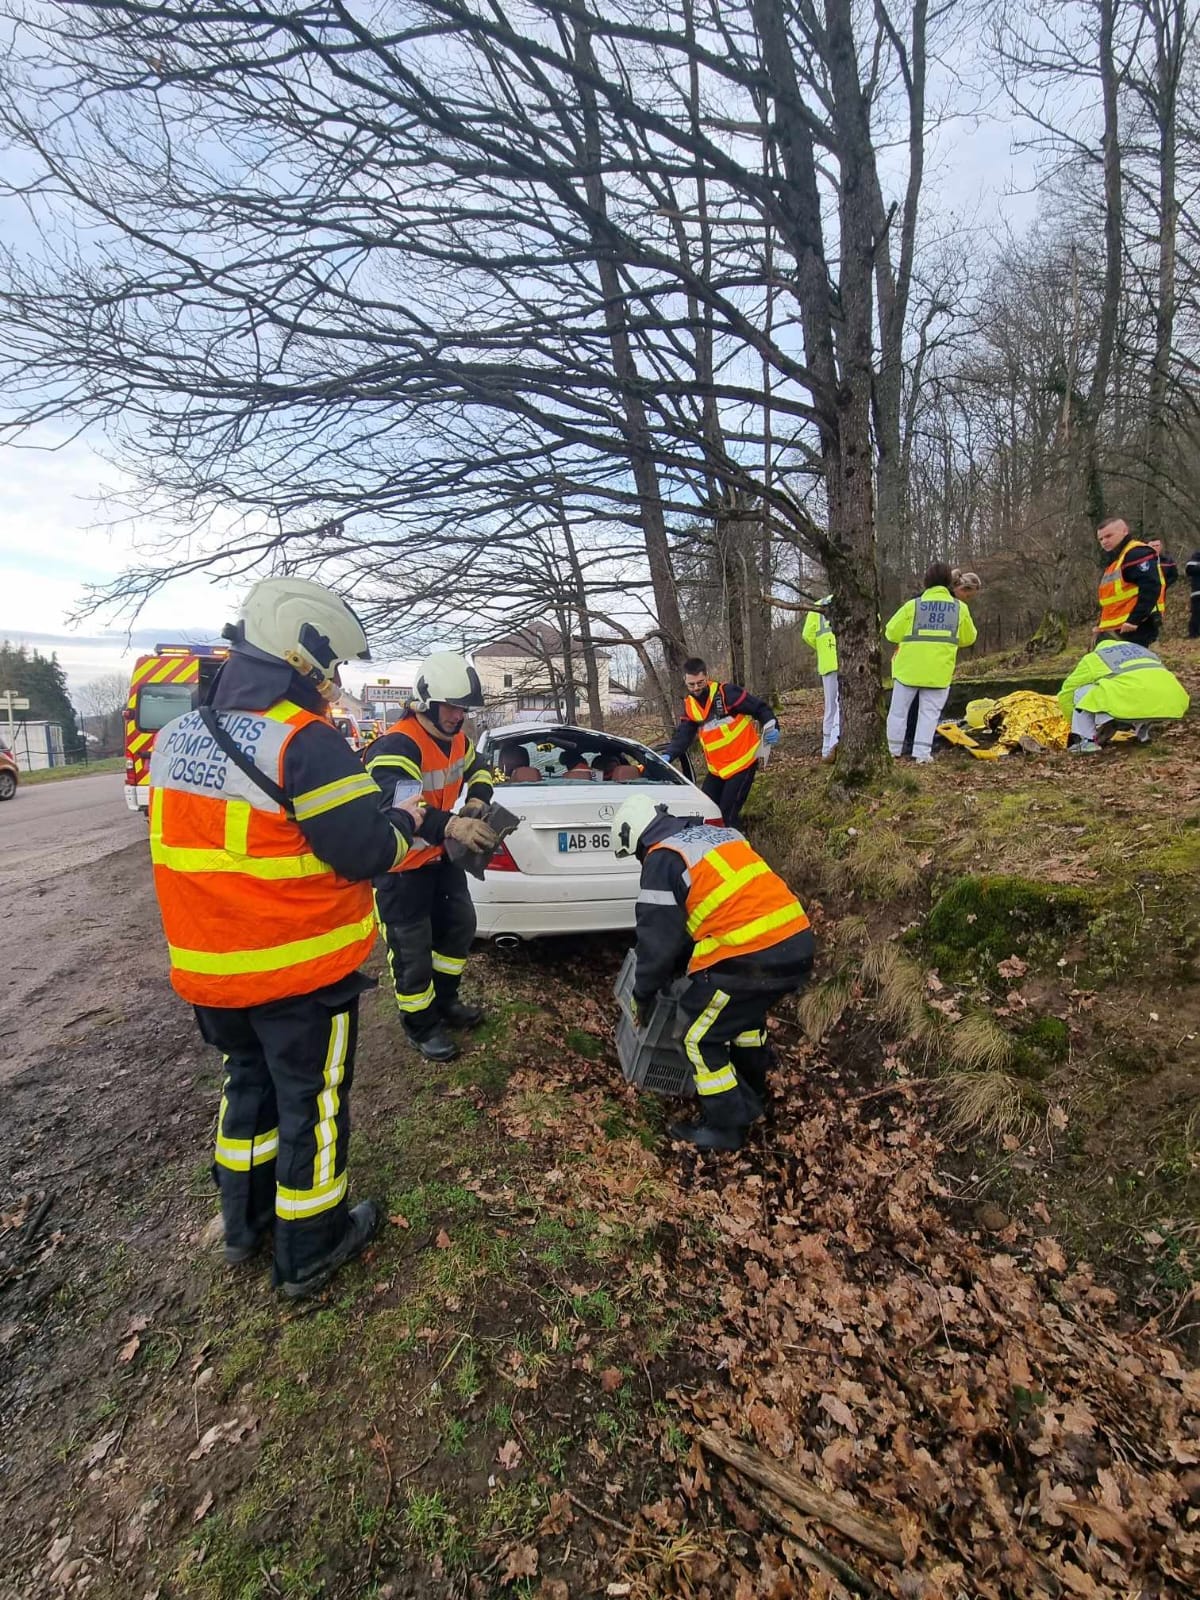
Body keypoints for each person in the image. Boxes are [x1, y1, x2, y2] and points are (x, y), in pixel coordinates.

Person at [147, 577, 421, 1298]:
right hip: (297, 972)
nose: (332, 688)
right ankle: (310, 1246)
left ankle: (243, 1227)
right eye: (329, 671)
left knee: (248, 1090)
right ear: (301, 659)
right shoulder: (306, 743)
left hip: (211, 970)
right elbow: (363, 849)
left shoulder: (175, 739)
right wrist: (408, 829)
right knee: (313, 1104)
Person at [613, 796, 813, 1152]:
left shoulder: (662, 859)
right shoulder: (714, 835)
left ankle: (726, 1128)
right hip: (795, 942)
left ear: (636, 839)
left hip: (747, 957)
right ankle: (752, 1094)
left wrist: (642, 996)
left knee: (697, 1036)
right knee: (744, 1022)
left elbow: (657, 944)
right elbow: (718, 906)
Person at [366, 653, 499, 1062]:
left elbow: (480, 767)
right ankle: (420, 1025)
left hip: (439, 861)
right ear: (425, 701)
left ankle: (446, 1002)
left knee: (458, 929)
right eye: (451, 707)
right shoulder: (398, 744)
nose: (458, 716)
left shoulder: (458, 738)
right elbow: (404, 806)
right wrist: (452, 825)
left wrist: (477, 799)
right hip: (401, 870)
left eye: (463, 708)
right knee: (412, 952)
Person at [662, 657, 779, 826]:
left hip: (743, 762)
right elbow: (684, 734)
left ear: (707, 677)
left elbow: (759, 708)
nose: (696, 688)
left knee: (726, 816)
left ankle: (737, 847)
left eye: (700, 683)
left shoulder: (727, 694)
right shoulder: (690, 706)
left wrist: (772, 725)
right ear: (685, 681)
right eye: (691, 684)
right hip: (717, 769)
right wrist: (669, 754)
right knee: (705, 811)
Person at [884, 562, 978, 763]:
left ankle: (892, 751)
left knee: (898, 712)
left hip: (907, 669)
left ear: (926, 581)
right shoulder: (959, 608)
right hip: (938, 670)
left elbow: (891, 632)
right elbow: (968, 638)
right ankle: (922, 754)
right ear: (949, 583)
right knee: (929, 714)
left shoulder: (913, 605)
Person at [1058, 637, 1190, 754]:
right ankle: (1142, 728)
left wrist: (1073, 723)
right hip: (1172, 703)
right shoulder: (1143, 651)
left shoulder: (1096, 657)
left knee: (1081, 692)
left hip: (1134, 700)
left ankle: (1085, 741)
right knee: (1131, 688)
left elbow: (1067, 692)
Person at [1095, 518, 1161, 647]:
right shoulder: (1117, 559)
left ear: (1124, 531)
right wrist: (1100, 625)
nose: (1104, 542)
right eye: (1101, 539)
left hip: (1135, 628)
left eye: (1108, 536)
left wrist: (1134, 620)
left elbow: (1150, 588)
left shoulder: (1136, 554)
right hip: (1117, 629)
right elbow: (1112, 601)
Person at [801, 597, 839, 762]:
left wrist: (822, 648)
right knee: (843, 705)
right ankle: (834, 745)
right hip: (850, 660)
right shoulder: (853, 598)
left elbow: (807, 634)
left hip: (828, 662)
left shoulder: (818, 605)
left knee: (831, 707)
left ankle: (826, 748)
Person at [1187, 548, 1200, 639]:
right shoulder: (1197, 555)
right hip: (1198, 592)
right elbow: (1189, 570)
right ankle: (1194, 635)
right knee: (1197, 614)